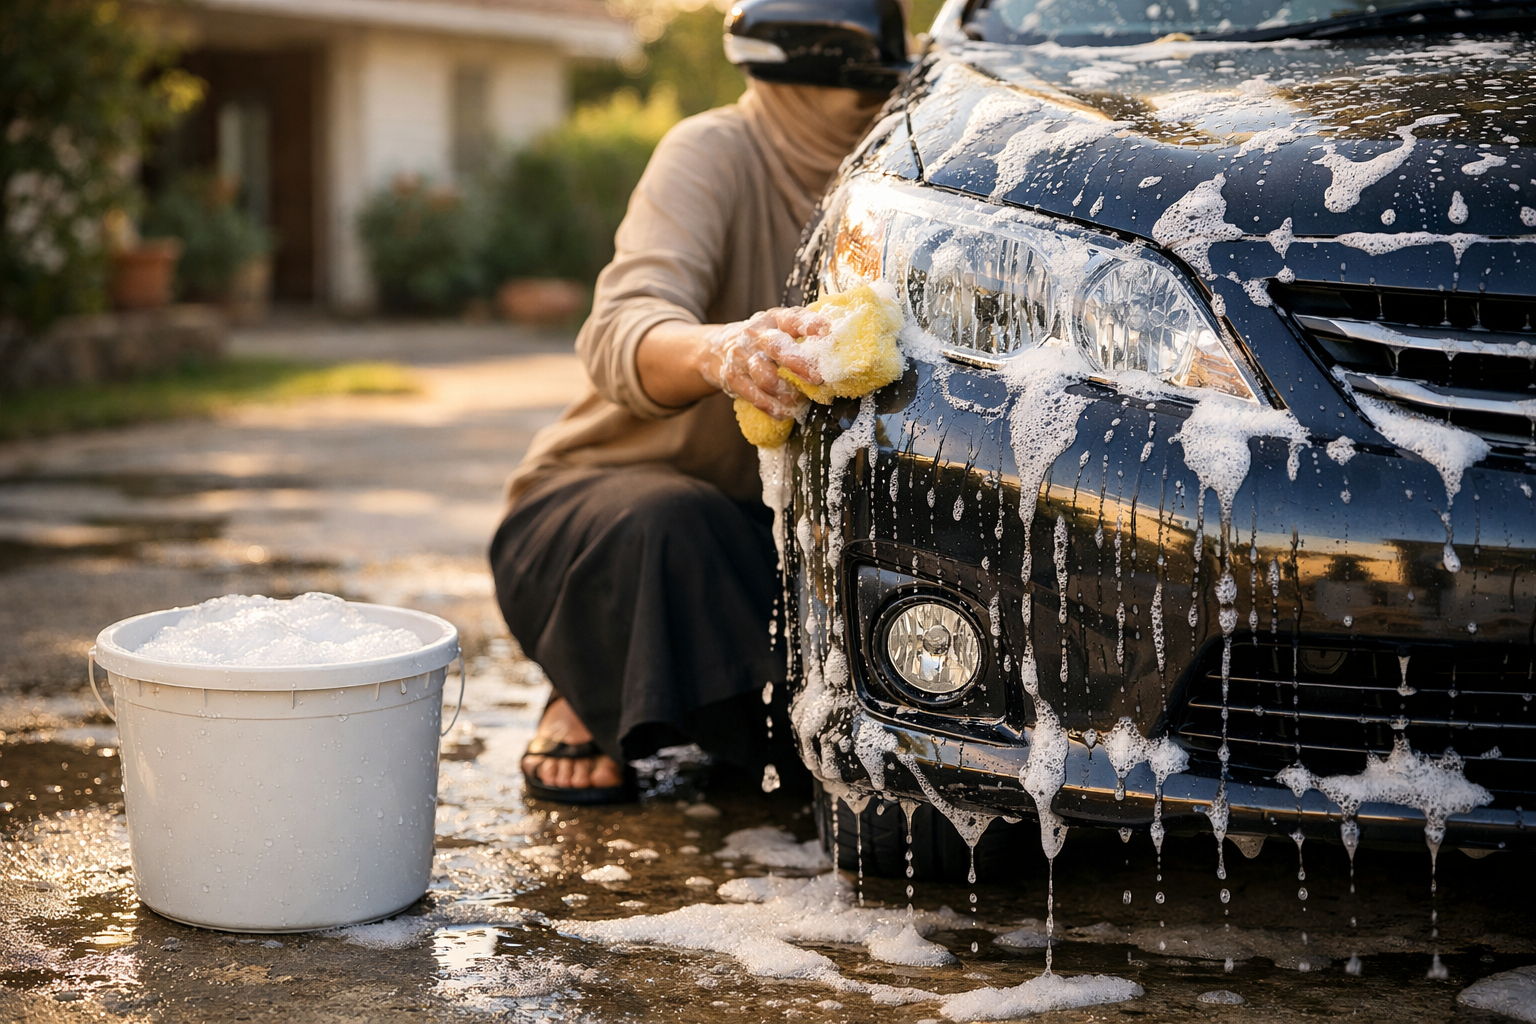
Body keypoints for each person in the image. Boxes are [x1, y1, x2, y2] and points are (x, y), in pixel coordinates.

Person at [489, 14, 903, 803]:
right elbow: (620, 327)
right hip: (604, 517)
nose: (876, 101)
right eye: (863, 86)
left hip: (768, 537)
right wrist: (724, 351)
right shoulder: (712, 150)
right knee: (671, 523)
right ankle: (594, 685)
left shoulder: (913, 175)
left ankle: (684, 707)